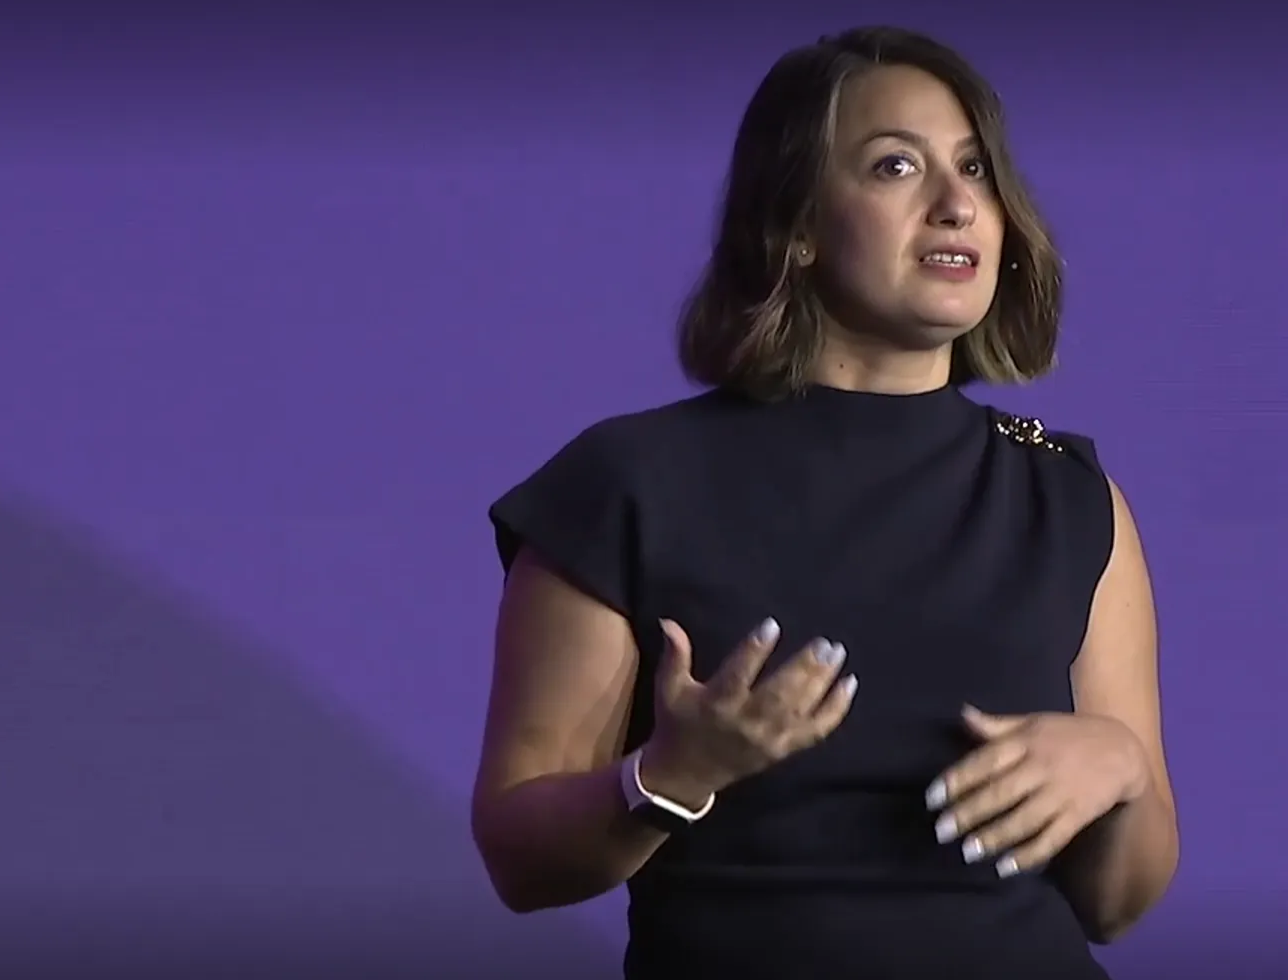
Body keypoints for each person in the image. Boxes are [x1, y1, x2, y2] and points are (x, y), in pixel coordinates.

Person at [470, 25, 1179, 980]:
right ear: (797, 226)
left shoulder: (1071, 498)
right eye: (897, 166)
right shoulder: (628, 482)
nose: (957, 203)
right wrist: (672, 776)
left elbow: (1119, 907)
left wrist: (1118, 769)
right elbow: (518, 857)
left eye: (975, 168)